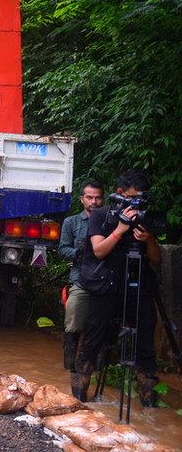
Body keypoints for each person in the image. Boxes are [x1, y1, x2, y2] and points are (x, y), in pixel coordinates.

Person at [71, 169, 162, 406]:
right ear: (120, 194)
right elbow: (99, 250)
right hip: (106, 285)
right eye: (132, 198)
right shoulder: (100, 215)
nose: (137, 204)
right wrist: (120, 230)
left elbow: (156, 259)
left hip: (138, 285)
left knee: (144, 342)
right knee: (93, 339)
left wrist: (150, 239)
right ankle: (78, 400)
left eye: (141, 199)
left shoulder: (144, 217)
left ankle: (149, 404)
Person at [58, 180, 105, 370]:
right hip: (80, 280)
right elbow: (62, 250)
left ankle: (99, 369)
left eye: (98, 197)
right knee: (73, 323)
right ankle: (69, 369)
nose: (93, 201)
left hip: (104, 282)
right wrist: (78, 252)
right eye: (89, 197)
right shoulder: (72, 222)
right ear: (82, 199)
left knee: (103, 327)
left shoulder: (109, 221)